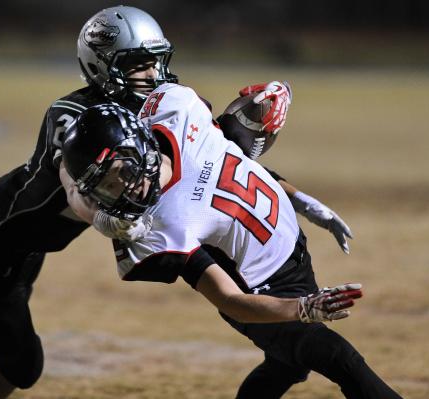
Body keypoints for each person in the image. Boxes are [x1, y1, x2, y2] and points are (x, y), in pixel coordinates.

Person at [0, 5, 351, 398]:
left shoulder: (155, 107)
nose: (152, 75)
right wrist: (103, 215)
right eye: (139, 65)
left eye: (157, 63)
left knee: (10, 287)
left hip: (36, 241)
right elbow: (74, 185)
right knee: (22, 361)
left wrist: (298, 197)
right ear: (101, 66)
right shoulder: (74, 116)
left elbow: (216, 162)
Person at [60, 93, 402, 399]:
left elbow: (234, 155)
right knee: (336, 357)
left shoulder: (177, 111)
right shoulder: (156, 227)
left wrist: (301, 200)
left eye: (120, 172)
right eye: (105, 187)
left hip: (290, 252)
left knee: (289, 365)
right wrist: (303, 308)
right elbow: (229, 299)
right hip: (260, 289)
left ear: (138, 145)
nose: (121, 190)